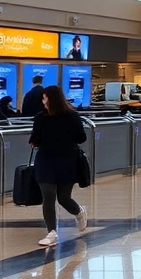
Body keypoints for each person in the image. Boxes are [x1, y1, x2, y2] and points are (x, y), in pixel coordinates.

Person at [28, 86, 88, 247]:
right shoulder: (40, 117)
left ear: (51, 99)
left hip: (67, 161)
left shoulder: (73, 117)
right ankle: (51, 232)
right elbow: (35, 138)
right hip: (46, 160)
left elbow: (82, 137)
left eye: (45, 98)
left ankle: (79, 212)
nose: (43, 101)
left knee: (63, 198)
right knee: (48, 196)